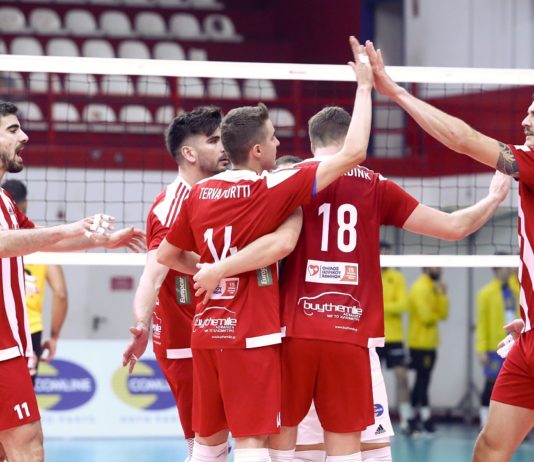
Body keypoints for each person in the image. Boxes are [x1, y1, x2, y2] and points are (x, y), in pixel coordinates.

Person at [193, 101, 509, 462]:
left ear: (312, 143)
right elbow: (454, 227)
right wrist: (494, 198)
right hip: (349, 332)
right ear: (351, 137)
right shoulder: (376, 185)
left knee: (277, 446)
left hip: (292, 331)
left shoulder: (287, 179)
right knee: (346, 449)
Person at [156, 36, 374, 462]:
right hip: (249, 332)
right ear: (256, 150)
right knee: (253, 442)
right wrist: (364, 87)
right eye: (273, 138)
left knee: (207, 444)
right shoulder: (270, 186)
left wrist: (210, 268)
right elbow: (355, 152)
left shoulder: (199, 193)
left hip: (206, 330)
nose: (279, 144)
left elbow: (167, 255)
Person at [365, 39, 534, 461]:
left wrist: (394, 91)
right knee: (490, 447)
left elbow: (463, 139)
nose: (525, 121)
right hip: (528, 339)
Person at [122, 106, 303, 461]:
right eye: (213, 141)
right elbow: (154, 271)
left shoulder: (222, 191)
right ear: (189, 153)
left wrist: (220, 269)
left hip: (216, 330)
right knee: (214, 442)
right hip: (186, 341)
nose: (223, 148)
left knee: (216, 443)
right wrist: (141, 322)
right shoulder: (174, 204)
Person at [0, 100, 145, 462]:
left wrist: (102, 241)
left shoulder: (5, 199)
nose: (25, 136)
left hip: (12, 342)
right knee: (27, 441)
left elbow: (41, 242)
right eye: (13, 130)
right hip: (1, 346)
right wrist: (69, 227)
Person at [2, 179, 68, 384]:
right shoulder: (39, 239)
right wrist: (54, 336)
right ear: (25, 204)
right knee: (24, 395)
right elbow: (60, 293)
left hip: (4, 327)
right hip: (30, 329)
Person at [475, 264, 518, 428]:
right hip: (495, 347)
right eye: (505, 267)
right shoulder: (486, 293)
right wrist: (481, 349)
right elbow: (482, 323)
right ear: (497, 269)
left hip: (514, 345)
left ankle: (510, 425)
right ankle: (484, 422)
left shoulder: (516, 290)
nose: (509, 270)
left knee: (513, 385)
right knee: (491, 384)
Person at [407, 267, 448, 434]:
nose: (439, 270)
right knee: (421, 381)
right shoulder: (420, 288)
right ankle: (416, 419)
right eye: (436, 266)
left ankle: (420, 418)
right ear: (426, 267)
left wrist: (443, 294)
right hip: (419, 343)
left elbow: (443, 314)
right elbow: (426, 317)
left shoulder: (434, 288)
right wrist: (435, 314)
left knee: (424, 380)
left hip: (430, 343)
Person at [377, 241, 412, 434]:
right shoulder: (368, 273)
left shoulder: (397, 277)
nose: (386, 256)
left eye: (388, 253)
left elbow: (403, 305)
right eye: (383, 253)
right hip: (373, 335)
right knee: (370, 380)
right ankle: (372, 420)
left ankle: (405, 420)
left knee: (402, 376)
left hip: (394, 336)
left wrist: (378, 306)